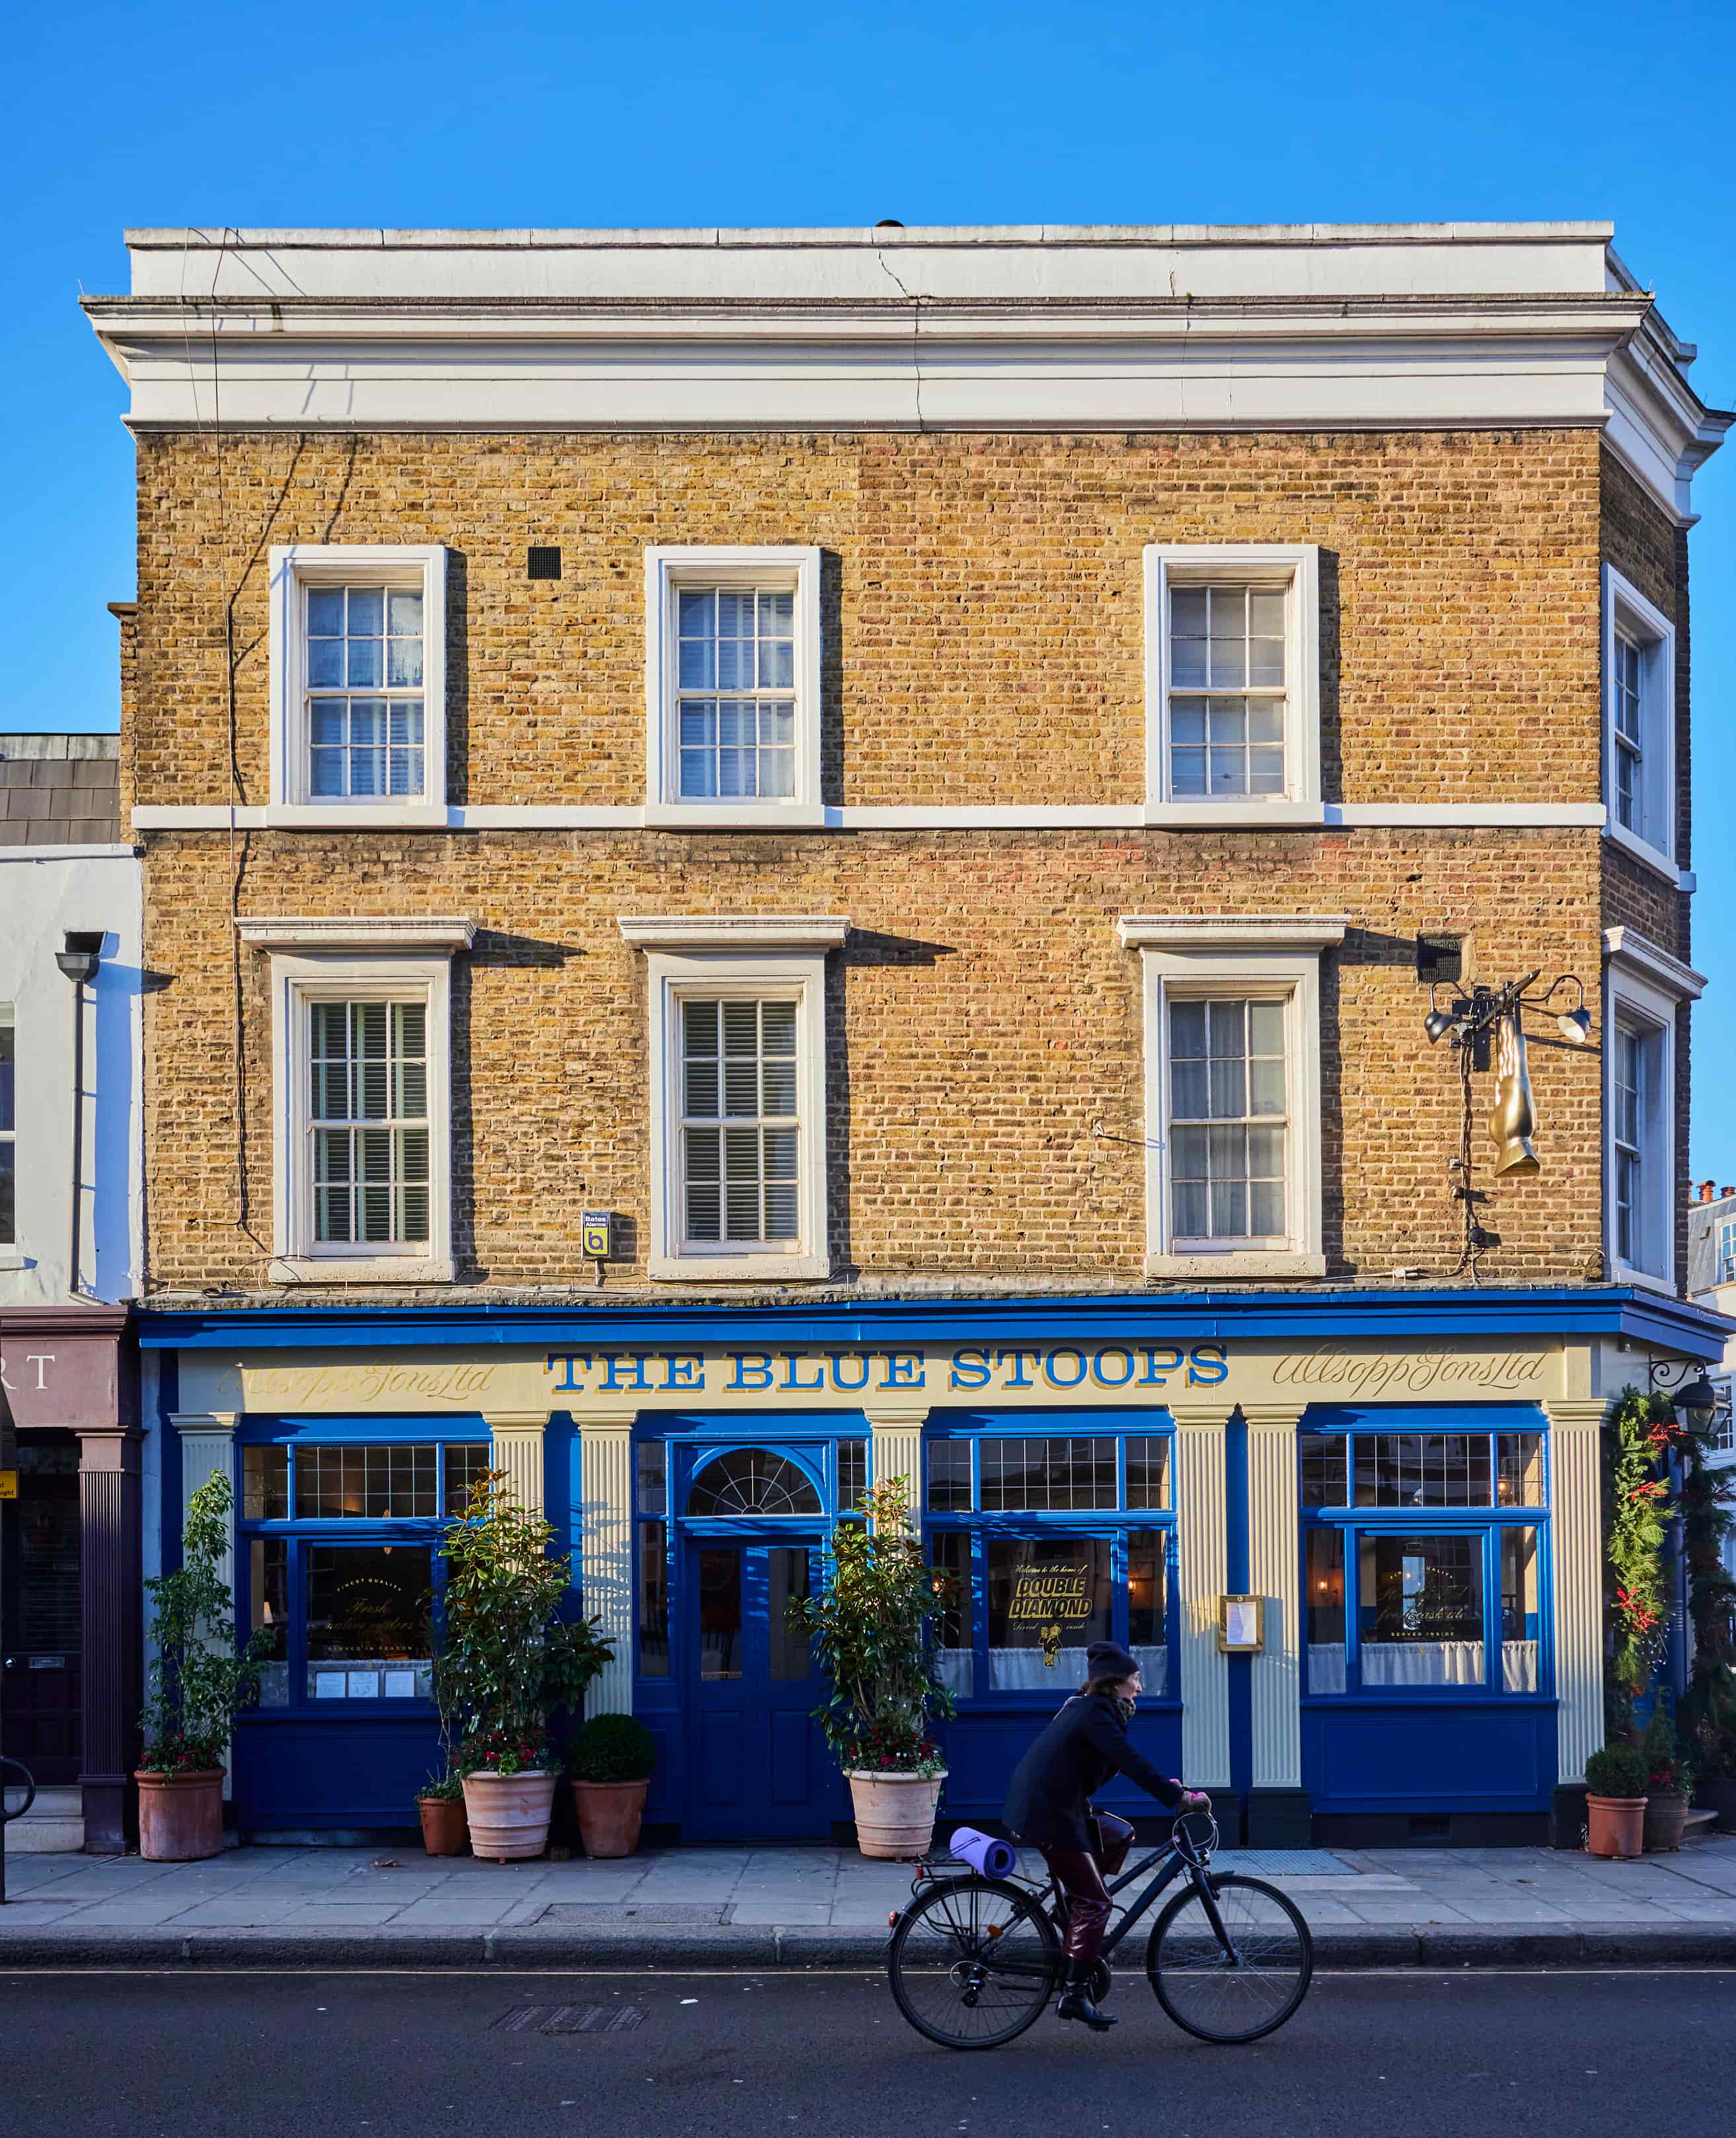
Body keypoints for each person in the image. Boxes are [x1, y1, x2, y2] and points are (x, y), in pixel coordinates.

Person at [1002, 1640, 1209, 2033]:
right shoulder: (1097, 1713)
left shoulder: (1089, 1708)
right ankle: (1075, 1995)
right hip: (1049, 1813)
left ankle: (1072, 1928)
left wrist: (1169, 1787)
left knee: (1117, 1835)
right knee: (1097, 1902)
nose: (1140, 1687)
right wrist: (1176, 1798)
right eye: (1135, 1679)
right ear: (1116, 1683)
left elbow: (1112, 1762)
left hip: (1055, 1805)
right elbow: (1128, 1761)